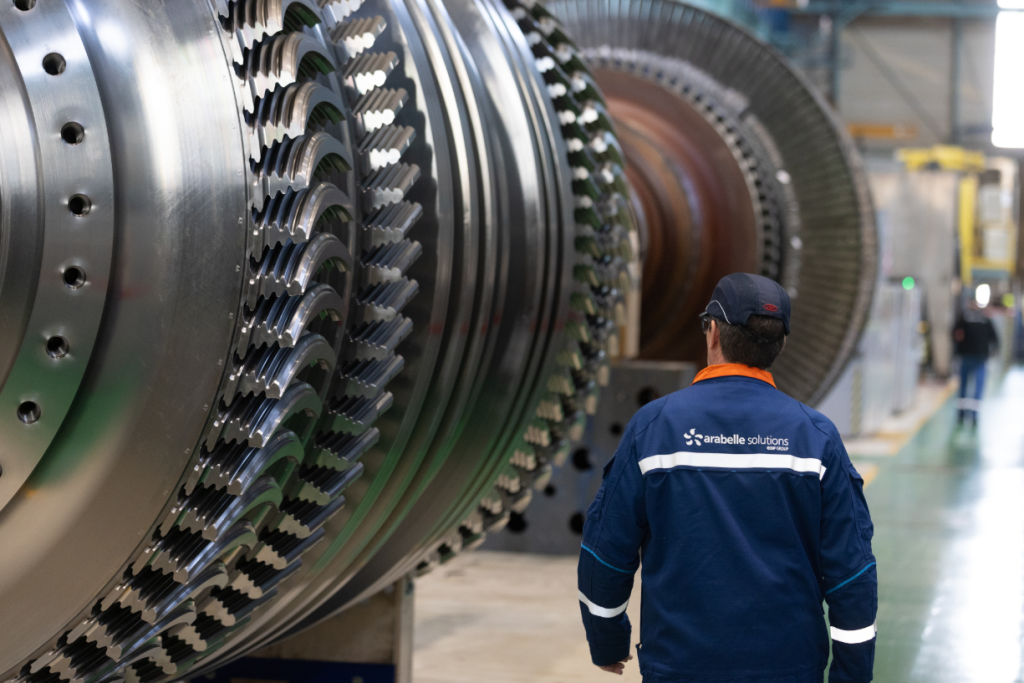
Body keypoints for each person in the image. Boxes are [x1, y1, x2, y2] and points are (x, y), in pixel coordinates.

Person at [577, 273, 877, 683]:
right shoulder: (816, 438)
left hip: (680, 667)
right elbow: (853, 575)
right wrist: (851, 676)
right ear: (781, 344)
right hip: (789, 669)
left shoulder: (655, 428)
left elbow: (605, 552)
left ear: (713, 332)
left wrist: (608, 639)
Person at [952, 298, 999, 428]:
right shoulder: (985, 320)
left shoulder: (963, 319)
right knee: (978, 388)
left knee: (964, 387)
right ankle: (973, 417)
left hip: (967, 357)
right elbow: (994, 339)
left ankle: (961, 415)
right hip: (980, 358)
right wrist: (994, 353)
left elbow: (955, 335)